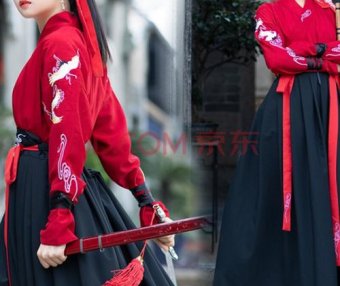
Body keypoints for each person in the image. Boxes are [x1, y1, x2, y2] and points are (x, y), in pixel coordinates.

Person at [0, 0, 175, 285]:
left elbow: (66, 132)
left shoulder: (61, 44)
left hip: (45, 194)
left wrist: (59, 220)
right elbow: (113, 137)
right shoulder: (80, 45)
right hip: (44, 189)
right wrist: (147, 203)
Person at [213, 0, 340, 285]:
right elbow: (278, 59)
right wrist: (321, 53)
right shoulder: (268, 11)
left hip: (330, 106)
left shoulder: (329, 9)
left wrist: (303, 51)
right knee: (279, 188)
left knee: (330, 181)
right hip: (288, 106)